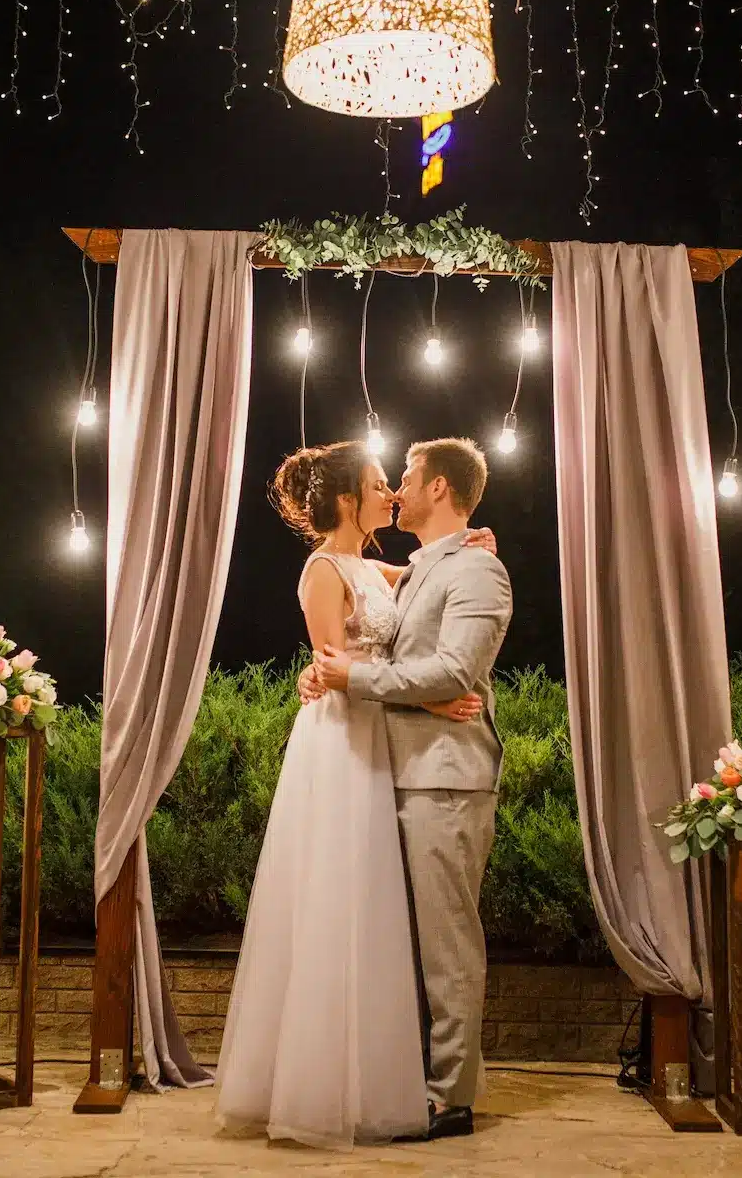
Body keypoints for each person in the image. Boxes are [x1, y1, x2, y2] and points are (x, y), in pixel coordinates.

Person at [214, 439, 494, 1150]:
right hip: (349, 745)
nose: (392, 492)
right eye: (378, 484)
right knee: (341, 909)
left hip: (393, 749)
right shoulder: (323, 569)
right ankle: (329, 1078)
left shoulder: (385, 567)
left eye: (399, 480)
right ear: (348, 500)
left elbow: (424, 595)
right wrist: (420, 704)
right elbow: (333, 663)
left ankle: (413, 1084)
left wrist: (474, 540)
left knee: (397, 925)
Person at [309, 438, 513, 1142]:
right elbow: (376, 640)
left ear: (440, 489)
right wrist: (328, 673)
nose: (397, 487)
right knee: (404, 942)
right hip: (386, 770)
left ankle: (450, 1097)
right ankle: (410, 1077)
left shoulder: (479, 572)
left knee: (448, 942)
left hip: (444, 779)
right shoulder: (423, 566)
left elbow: (454, 671)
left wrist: (351, 679)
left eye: (407, 477)